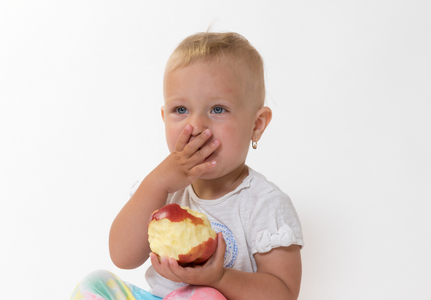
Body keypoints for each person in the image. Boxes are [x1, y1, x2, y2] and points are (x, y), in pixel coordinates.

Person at [71, 31, 304, 300]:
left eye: (217, 109)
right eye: (180, 110)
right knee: (94, 284)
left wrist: (220, 278)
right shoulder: (163, 190)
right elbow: (122, 256)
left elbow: (282, 293)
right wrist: (157, 183)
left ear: (256, 124)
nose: (195, 127)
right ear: (163, 117)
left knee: (206, 296)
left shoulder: (264, 204)